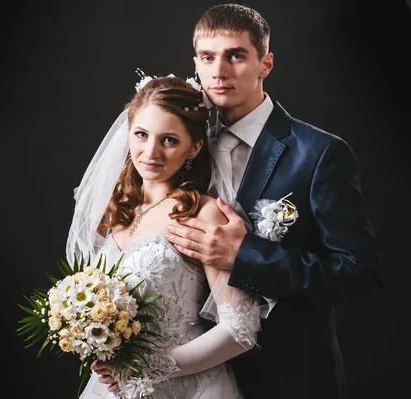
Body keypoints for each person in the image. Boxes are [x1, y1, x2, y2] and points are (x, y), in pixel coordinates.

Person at [154, 4, 383, 399]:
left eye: (236, 55)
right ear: (196, 62)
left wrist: (246, 256)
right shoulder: (180, 147)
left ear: (266, 63)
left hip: (286, 376)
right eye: (208, 57)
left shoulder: (320, 153)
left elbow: (359, 275)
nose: (219, 71)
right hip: (193, 377)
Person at [66, 75, 275, 399]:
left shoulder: (204, 214)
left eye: (169, 140)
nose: (150, 152)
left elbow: (241, 330)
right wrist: (93, 342)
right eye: (141, 134)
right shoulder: (117, 210)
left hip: (187, 387)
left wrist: (149, 365)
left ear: (194, 147)